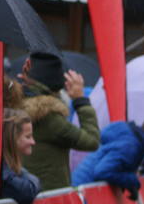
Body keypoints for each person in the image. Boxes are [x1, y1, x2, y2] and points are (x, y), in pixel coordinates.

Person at [20, 52, 100, 191]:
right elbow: (92, 141)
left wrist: (24, 85)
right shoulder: (49, 118)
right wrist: (80, 100)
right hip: (48, 196)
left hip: (28, 192)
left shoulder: (16, 107)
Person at [72, 118, 144, 200]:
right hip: (83, 192)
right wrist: (132, 181)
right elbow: (103, 171)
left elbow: (142, 168)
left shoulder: (132, 141)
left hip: (81, 185)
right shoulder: (130, 147)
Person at [0, 109, 40, 204]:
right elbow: (26, 193)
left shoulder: (2, 167)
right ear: (12, 139)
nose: (33, 142)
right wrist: (27, 176)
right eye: (28, 136)